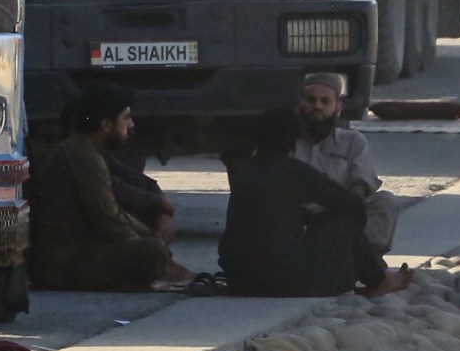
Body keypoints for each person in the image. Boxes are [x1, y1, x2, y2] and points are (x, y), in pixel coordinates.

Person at [219, 107, 413, 298]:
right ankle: (378, 280)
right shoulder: (296, 172)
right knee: (343, 223)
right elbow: (353, 207)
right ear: (294, 142)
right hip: (286, 283)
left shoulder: (244, 172)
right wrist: (320, 220)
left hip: (241, 282)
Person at [26, 84, 192, 290]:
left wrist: (151, 229)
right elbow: (109, 220)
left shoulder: (89, 151)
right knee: (152, 251)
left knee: (150, 240)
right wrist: (150, 245)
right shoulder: (84, 156)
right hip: (64, 262)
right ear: (106, 125)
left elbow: (129, 191)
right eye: (126, 118)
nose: (131, 124)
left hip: (75, 251)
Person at [294, 72, 399, 254]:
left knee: (385, 202)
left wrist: (344, 205)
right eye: (311, 100)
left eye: (325, 101)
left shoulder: (353, 140)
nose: (317, 106)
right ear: (299, 105)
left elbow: (362, 182)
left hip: (341, 213)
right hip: (298, 214)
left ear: (338, 108)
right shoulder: (288, 140)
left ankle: (361, 255)